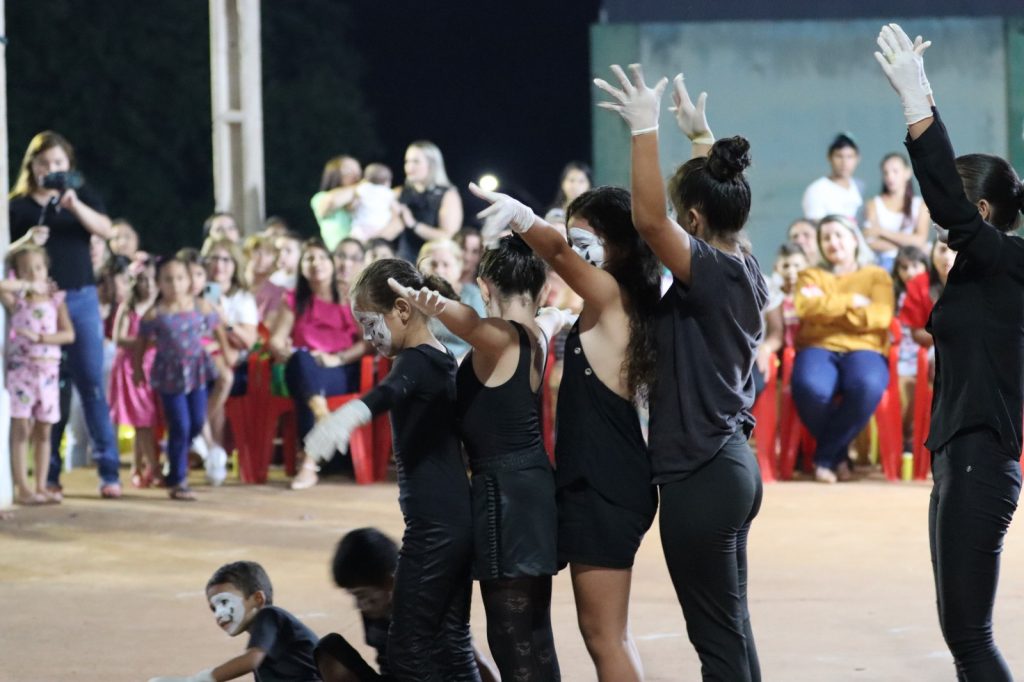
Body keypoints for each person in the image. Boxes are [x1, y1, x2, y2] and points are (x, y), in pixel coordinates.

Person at [595, 63, 768, 681]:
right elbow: (708, 203)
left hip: (702, 477)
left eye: (682, 214)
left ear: (691, 222)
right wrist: (703, 141)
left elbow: (647, 221)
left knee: (718, 644)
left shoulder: (713, 272)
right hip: (729, 468)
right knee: (732, 630)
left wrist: (645, 130)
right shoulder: (743, 262)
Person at [469, 177, 661, 681]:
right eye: (573, 242)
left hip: (606, 486)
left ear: (617, 244)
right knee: (608, 635)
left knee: (605, 637)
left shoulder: (613, 293)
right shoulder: (608, 303)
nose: (575, 254)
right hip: (599, 482)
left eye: (585, 243)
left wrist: (520, 215)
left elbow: (552, 250)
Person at [877, 23, 1024, 679]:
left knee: (968, 636)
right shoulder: (980, 268)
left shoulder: (1003, 259)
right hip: (958, 459)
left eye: (955, 211)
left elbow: (944, 197)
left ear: (984, 211)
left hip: (980, 461)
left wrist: (917, 105)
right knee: (961, 631)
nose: (939, 221)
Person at [392, 235, 570, 680]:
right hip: (532, 489)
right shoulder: (538, 333)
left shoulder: (501, 338)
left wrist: (428, 301)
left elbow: (468, 323)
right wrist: (558, 314)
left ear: (485, 286)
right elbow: (548, 319)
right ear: (542, 287)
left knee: (513, 643)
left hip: (503, 497)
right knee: (535, 636)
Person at [304, 259, 480, 681]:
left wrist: (345, 417)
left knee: (408, 646)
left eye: (370, 323)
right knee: (451, 642)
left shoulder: (417, 360)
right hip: (452, 521)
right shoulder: (435, 358)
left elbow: (387, 392)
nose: (368, 336)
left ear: (402, 310)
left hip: (435, 527)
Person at [8, 131, 122, 497]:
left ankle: (109, 472)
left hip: (81, 298)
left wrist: (74, 205)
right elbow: (4, 254)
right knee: (50, 389)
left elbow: (108, 230)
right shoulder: (17, 206)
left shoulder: (81, 196)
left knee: (90, 383)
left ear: (68, 166)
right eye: (44, 163)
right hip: (36, 309)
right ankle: (47, 476)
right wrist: (25, 242)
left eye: (58, 163)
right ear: (32, 167)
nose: (51, 169)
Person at [315, 528, 500, 682]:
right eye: (354, 596)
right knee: (330, 649)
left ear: (390, 582)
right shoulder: (373, 610)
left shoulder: (428, 608)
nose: (360, 605)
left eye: (363, 595)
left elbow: (473, 659)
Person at [791, 214, 895, 483]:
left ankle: (826, 457)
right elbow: (805, 308)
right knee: (810, 387)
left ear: (854, 239)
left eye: (838, 235)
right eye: (825, 237)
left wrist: (827, 306)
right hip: (818, 346)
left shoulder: (877, 275)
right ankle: (839, 458)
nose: (832, 242)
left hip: (865, 348)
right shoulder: (809, 275)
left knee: (867, 384)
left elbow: (880, 318)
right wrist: (852, 301)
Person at [267, 239, 365, 490]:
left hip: (340, 369)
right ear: (301, 267)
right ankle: (318, 423)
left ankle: (309, 462)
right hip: (304, 365)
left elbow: (368, 343)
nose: (316, 263)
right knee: (301, 361)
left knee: (305, 389)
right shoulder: (293, 299)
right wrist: (282, 349)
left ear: (331, 264)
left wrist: (337, 358)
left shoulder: (348, 297)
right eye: (309, 259)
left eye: (321, 257)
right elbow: (276, 340)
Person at [135, 256, 228, 501]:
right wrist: (137, 370)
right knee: (180, 425)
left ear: (189, 281)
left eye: (180, 278)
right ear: (159, 283)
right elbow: (140, 342)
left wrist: (226, 352)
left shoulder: (201, 307)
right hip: (169, 376)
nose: (174, 284)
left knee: (197, 421)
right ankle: (178, 479)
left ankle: (174, 456)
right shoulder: (155, 313)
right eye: (168, 279)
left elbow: (218, 328)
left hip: (196, 372)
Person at [147, 561, 321, 682]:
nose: (219, 614)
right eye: (213, 608)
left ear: (258, 598)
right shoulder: (266, 640)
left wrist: (196, 680)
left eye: (224, 602)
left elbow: (250, 660)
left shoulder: (269, 615)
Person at [2, 245, 75, 505]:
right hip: (22, 370)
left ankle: (41, 485)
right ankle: (22, 486)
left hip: (48, 371)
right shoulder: (17, 299)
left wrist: (41, 338)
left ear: (47, 269)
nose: (34, 273)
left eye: (38, 267)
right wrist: (22, 283)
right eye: (26, 269)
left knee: (45, 430)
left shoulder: (56, 300)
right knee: (22, 427)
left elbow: (68, 333)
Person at [202, 238, 259, 479]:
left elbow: (248, 341)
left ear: (235, 264)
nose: (219, 265)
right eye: (214, 258)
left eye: (226, 259)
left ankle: (200, 432)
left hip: (240, 365)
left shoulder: (242, 297)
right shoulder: (199, 291)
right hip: (203, 359)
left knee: (223, 374)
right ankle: (214, 454)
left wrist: (224, 324)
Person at [110, 258, 161, 488]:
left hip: (154, 366)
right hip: (131, 367)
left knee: (148, 420)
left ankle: (139, 466)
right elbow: (117, 337)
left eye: (151, 279)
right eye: (142, 279)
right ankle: (152, 467)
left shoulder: (159, 308)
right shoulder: (128, 308)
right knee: (142, 420)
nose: (148, 285)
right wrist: (143, 342)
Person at [390, 141, 463, 262]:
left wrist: (414, 225)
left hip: (432, 263)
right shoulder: (399, 192)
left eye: (416, 161)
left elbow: (449, 236)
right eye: (407, 161)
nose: (409, 167)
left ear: (432, 164)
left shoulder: (448, 194)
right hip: (401, 262)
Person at [416, 239, 487, 360]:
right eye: (433, 264)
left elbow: (483, 342)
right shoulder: (417, 296)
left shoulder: (473, 296)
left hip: (462, 364)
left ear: (459, 267)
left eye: (446, 264)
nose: (439, 270)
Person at [863, 153, 931, 269]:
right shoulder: (873, 204)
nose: (890, 177)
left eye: (895, 171)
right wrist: (909, 245)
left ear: (907, 173)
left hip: (911, 265)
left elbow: (920, 240)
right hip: (881, 263)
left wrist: (881, 232)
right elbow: (869, 241)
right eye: (886, 173)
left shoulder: (920, 205)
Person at [891, 245, 929, 452]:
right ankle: (904, 436)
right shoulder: (894, 295)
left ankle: (914, 435)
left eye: (916, 266)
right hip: (899, 354)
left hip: (923, 351)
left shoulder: (931, 292)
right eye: (904, 268)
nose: (910, 272)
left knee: (918, 387)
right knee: (902, 389)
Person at [801, 133, 864, 222]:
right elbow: (816, 229)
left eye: (849, 157)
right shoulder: (817, 190)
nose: (844, 162)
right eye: (839, 156)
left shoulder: (859, 186)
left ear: (858, 159)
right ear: (829, 158)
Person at [312, 155, 362, 251]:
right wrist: (364, 185)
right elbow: (330, 203)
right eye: (349, 171)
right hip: (337, 252)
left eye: (358, 170)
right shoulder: (320, 197)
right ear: (335, 174)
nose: (357, 176)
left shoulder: (361, 196)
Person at [242, 233, 286, 321]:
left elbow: (267, 329)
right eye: (257, 252)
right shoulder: (234, 284)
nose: (261, 259)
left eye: (268, 254)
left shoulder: (277, 291)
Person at [351, 163, 398, 243]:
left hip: (361, 226)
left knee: (355, 242)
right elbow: (396, 209)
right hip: (380, 227)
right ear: (387, 182)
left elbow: (354, 204)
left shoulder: (362, 188)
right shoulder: (388, 192)